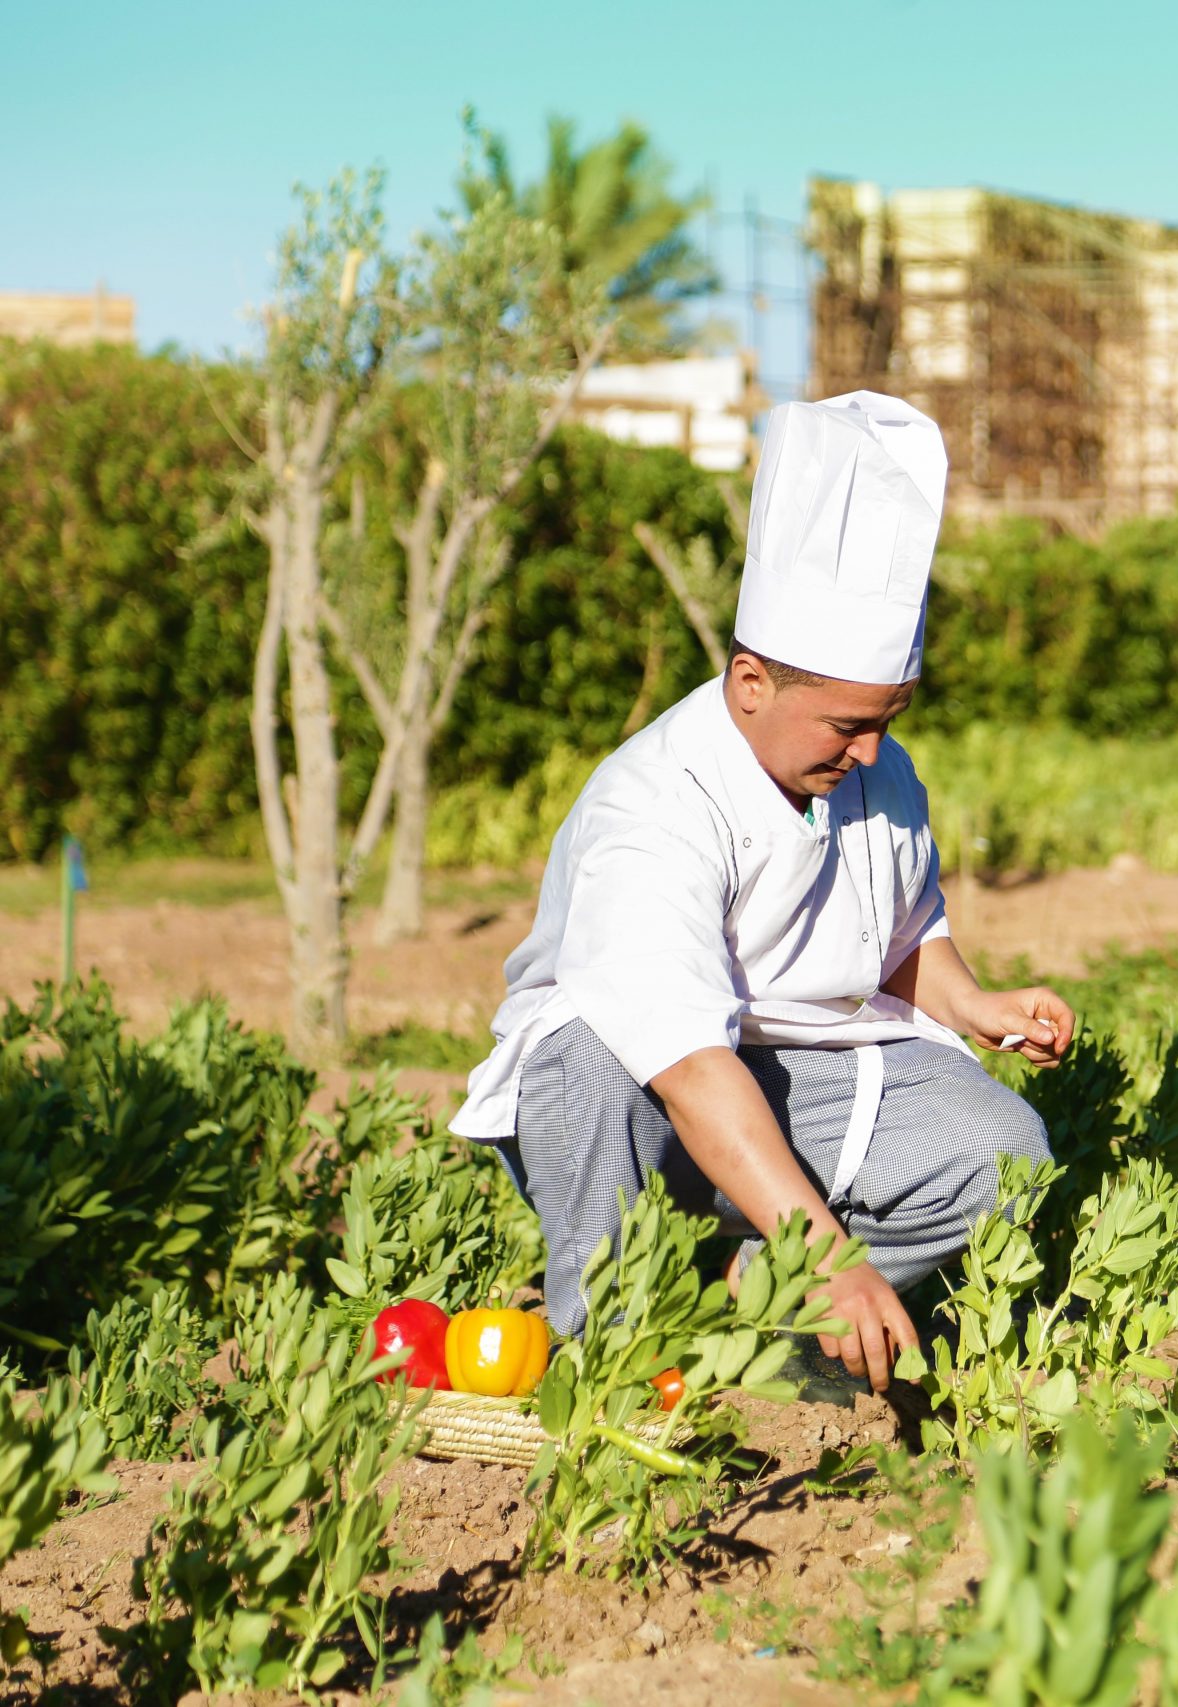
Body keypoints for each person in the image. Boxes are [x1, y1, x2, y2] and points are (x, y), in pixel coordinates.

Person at [450, 390, 1074, 1393]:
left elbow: (903, 936)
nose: (869, 749)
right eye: (843, 725)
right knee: (580, 1056)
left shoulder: (881, 773)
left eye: (888, 717)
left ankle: (758, 1332)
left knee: (1002, 1149)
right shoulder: (651, 804)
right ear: (750, 683)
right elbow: (690, 1067)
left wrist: (974, 1004)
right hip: (650, 1094)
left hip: (808, 1076)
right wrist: (830, 1257)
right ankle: (610, 1355)